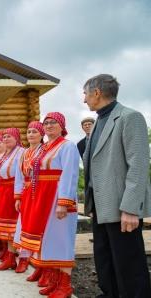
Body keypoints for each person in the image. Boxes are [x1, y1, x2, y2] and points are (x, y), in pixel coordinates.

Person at [83, 74, 151, 297]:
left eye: (85, 94)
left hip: (122, 207)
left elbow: (138, 165)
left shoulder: (130, 117)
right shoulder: (98, 123)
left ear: (97, 92)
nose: (84, 100)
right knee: (105, 259)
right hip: (101, 207)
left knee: (128, 264)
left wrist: (131, 208)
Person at [20, 112, 79, 297]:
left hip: (57, 198)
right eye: (46, 123)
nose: (49, 125)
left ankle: (65, 285)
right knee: (49, 240)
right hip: (43, 199)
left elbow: (69, 175)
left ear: (62, 125)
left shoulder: (67, 146)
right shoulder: (44, 147)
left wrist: (63, 203)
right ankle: (54, 280)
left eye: (53, 122)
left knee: (62, 240)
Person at [13, 121, 45, 277]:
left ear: (41, 134)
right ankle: (24, 258)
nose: (31, 134)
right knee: (23, 225)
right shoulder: (24, 153)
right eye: (29, 132)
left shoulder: (44, 151)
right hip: (26, 193)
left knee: (38, 227)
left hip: (40, 192)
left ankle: (39, 264)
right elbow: (19, 177)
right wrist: (18, 197)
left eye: (34, 132)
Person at [0, 128, 25, 271]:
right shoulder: (5, 154)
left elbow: (20, 175)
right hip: (2, 191)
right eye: (4, 136)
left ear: (16, 137)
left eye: (9, 136)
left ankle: (15, 257)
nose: (5, 139)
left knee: (13, 226)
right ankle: (9, 256)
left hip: (12, 190)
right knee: (6, 227)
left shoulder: (20, 152)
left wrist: (18, 195)